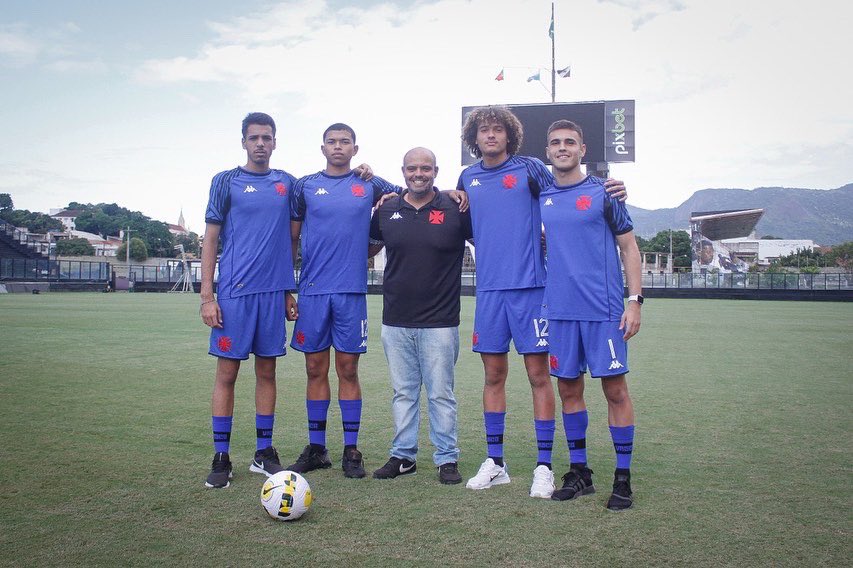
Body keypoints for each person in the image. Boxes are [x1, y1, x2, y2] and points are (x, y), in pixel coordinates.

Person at [456, 105, 626, 498]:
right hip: (490, 292)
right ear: (474, 138)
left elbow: (567, 191)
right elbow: (467, 222)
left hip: (532, 289)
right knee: (492, 376)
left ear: (510, 135)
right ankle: (495, 462)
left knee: (538, 376)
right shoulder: (467, 177)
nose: (491, 135)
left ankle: (544, 466)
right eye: (484, 130)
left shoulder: (531, 168)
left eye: (498, 129)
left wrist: (609, 189)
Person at [285, 123, 404, 479]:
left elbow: (410, 195)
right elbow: (292, 238)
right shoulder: (304, 186)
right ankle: (317, 448)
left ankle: (351, 449)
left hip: (351, 292)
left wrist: (377, 240)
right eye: (332, 142)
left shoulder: (370, 183)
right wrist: (286, 287)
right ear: (322, 148)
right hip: (312, 291)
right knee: (314, 369)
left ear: (355, 149)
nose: (338, 146)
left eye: (345, 142)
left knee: (348, 369)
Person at [540, 119, 642, 511]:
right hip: (560, 311)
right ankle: (580, 472)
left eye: (570, 142)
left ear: (582, 150)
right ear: (548, 152)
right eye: (555, 143)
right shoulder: (542, 195)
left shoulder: (605, 192)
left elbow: (629, 248)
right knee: (569, 390)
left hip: (604, 311)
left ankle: (623, 478)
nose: (562, 147)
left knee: (615, 390)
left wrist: (635, 301)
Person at [199, 112, 298, 488]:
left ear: (275, 142)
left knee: (267, 372)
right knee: (227, 373)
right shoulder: (225, 181)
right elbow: (210, 238)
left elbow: (290, 239)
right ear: (243, 142)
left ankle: (263, 452)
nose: (260, 143)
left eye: (266, 137)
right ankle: (221, 456)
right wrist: (207, 296)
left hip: (272, 295)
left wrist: (287, 289)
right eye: (254, 137)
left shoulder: (287, 183)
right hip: (234, 295)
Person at [367, 147, 472, 485]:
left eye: (425, 168)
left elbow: (487, 240)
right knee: (403, 393)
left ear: (435, 172)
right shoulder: (387, 209)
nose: (419, 174)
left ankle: (447, 458)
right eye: (412, 168)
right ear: (403, 171)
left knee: (441, 394)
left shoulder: (456, 207)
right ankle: (403, 456)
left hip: (440, 321)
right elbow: (368, 246)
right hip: (395, 319)